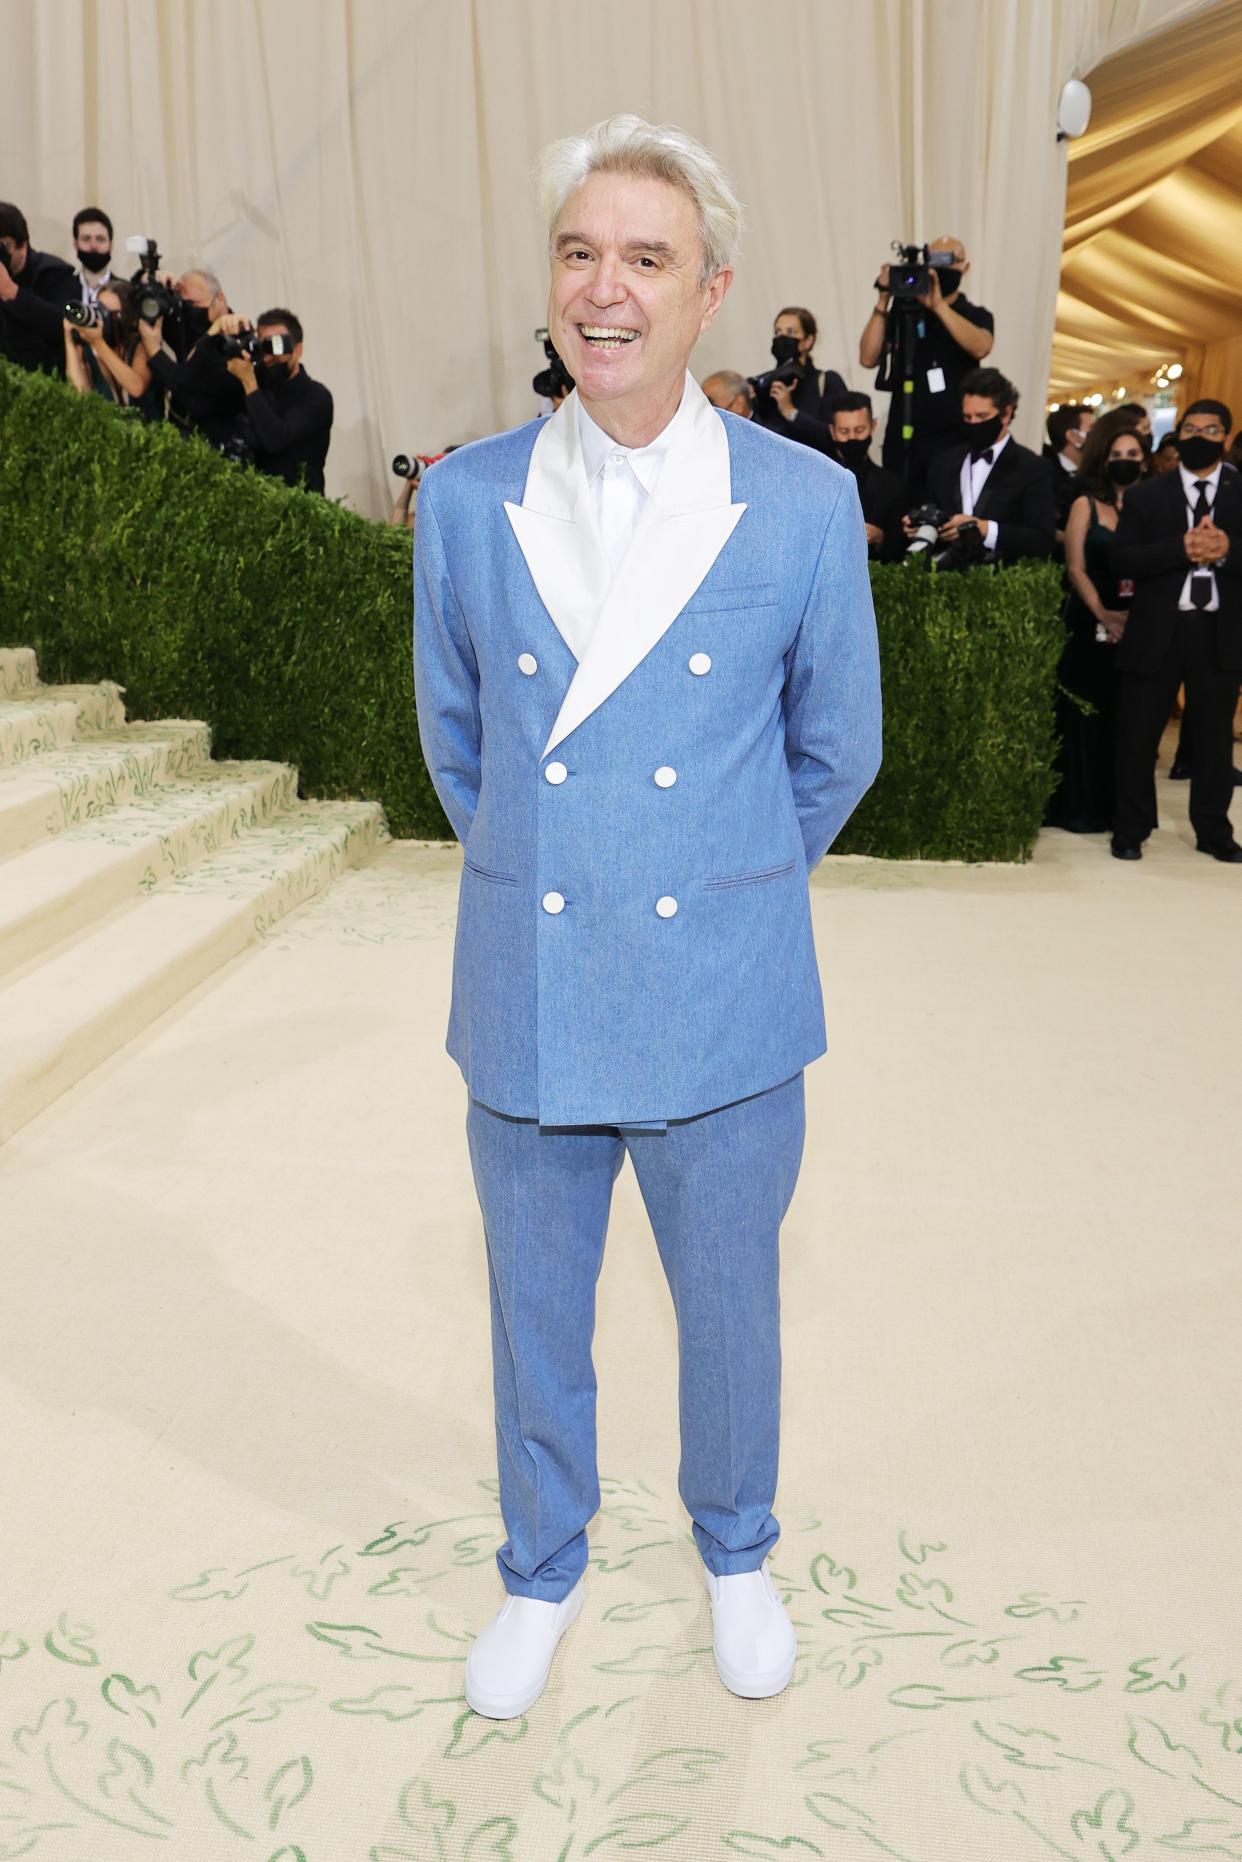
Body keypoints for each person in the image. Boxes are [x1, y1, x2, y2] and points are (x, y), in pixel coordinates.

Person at [413, 111, 881, 1720]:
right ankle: (539, 1568)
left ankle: (734, 1551)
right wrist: (571, 865)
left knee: (730, 1303)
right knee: (533, 1305)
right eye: (577, 250)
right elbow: (459, 744)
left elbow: (838, 748)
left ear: (709, 294)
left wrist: (722, 882)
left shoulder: (803, 502)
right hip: (529, 976)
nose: (603, 287)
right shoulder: (468, 499)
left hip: (725, 988)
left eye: (646, 258)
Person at [1111, 398, 1242, 862]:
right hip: (1157, 633)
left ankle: (1213, 831)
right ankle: (1130, 830)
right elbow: (1121, 559)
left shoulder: (1240, 491)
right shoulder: (1148, 494)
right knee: (1138, 736)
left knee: (1212, 740)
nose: (1199, 437)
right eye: (1190, 428)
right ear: (1177, 434)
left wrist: (1226, 548)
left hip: (1219, 633)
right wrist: (1180, 549)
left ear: (1225, 437)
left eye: (1211, 430)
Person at [1044, 423, 1147, 832]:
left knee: (1125, 718)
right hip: (1089, 620)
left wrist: (1133, 618)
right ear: (1105, 459)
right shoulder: (1085, 505)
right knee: (1081, 715)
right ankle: (1078, 807)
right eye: (1118, 456)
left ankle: (1117, 808)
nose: (1125, 463)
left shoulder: (1153, 504)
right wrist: (1103, 611)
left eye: (1134, 456)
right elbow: (1075, 567)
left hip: (1141, 625)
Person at [859, 234, 993, 498]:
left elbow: (981, 346)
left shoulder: (974, 314)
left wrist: (939, 306)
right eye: (932, 260)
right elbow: (868, 357)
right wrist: (884, 299)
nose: (939, 268)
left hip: (952, 437)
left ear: (965, 266)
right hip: (902, 434)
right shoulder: (904, 310)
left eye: (947, 260)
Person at [916, 366, 1055, 562]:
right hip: (943, 579)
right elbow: (930, 507)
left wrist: (984, 529)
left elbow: (1042, 540)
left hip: (1001, 584)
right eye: (967, 417)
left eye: (982, 417)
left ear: (1006, 414)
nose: (973, 423)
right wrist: (922, 523)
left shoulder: (1033, 468)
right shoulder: (943, 462)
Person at [219, 307, 334, 493]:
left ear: (298, 350)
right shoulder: (257, 384)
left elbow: (276, 439)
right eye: (264, 346)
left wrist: (249, 382)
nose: (269, 356)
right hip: (254, 502)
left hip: (300, 509)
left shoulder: (316, 397)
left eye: (278, 345)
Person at [137, 267, 242, 446]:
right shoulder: (186, 327)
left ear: (220, 299)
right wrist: (151, 282)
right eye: (183, 304)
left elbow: (193, 396)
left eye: (194, 304)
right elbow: (140, 307)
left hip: (219, 448)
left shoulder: (236, 342)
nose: (189, 311)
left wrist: (154, 351)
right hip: (180, 440)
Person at [62, 279, 163, 419]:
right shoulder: (90, 347)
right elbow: (79, 395)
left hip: (150, 435)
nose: (103, 318)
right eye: (99, 309)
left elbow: (136, 388)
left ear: (130, 317)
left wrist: (99, 344)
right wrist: (70, 341)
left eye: (111, 314)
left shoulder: (142, 344)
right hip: (110, 434)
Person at [749, 306, 845, 451]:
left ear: (808, 341)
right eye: (778, 332)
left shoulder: (827, 381)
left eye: (791, 332)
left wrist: (791, 412)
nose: (782, 337)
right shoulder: (762, 385)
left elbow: (837, 438)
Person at [827, 390, 906, 561]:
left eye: (859, 430)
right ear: (832, 431)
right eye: (844, 431)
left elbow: (900, 550)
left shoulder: (891, 486)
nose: (852, 438)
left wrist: (879, 537)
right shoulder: (818, 483)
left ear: (873, 426)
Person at [0, 201, 77, 375]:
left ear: (23, 246)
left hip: (45, 380)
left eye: (4, 246)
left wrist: (12, 292)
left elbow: (66, 323)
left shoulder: (55, 272)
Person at [1045, 403, 1095, 544]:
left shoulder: (1094, 473)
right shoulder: (1046, 474)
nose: (1098, 436)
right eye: (1092, 430)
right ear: (1073, 436)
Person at [67, 206, 114, 310]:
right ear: (75, 244)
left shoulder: (125, 292)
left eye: (100, 239)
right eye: (86, 239)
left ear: (111, 244)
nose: (93, 245)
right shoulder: (61, 290)